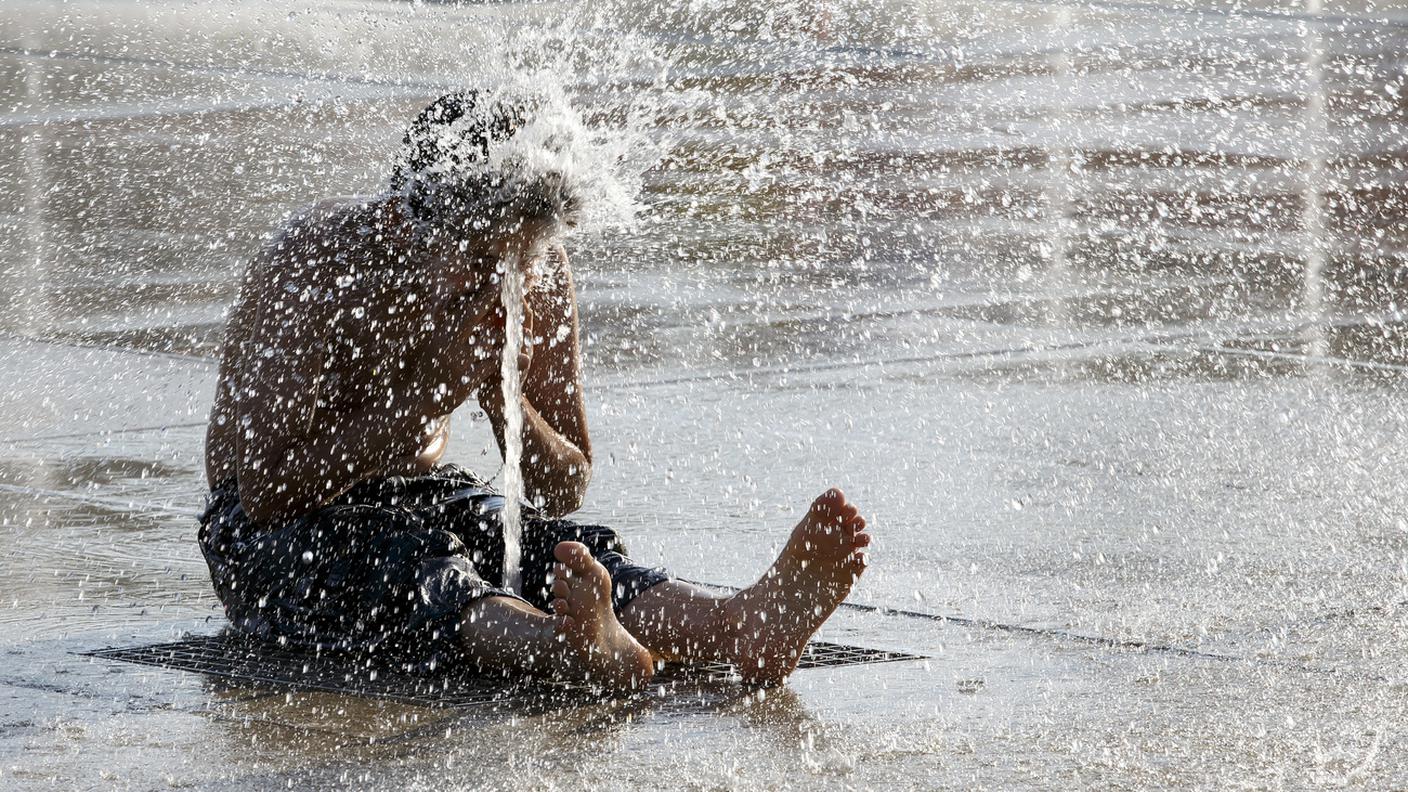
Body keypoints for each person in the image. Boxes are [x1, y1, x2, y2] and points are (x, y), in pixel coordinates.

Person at [199, 91, 871, 689]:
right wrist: (424, 400)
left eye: (519, 261)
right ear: (409, 225)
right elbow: (264, 493)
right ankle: (560, 646)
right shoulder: (320, 265)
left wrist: (502, 397)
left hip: (423, 494)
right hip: (267, 534)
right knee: (418, 564)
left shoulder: (535, 263)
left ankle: (736, 624)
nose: (503, 283)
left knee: (542, 542)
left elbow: (562, 483)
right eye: (478, 262)